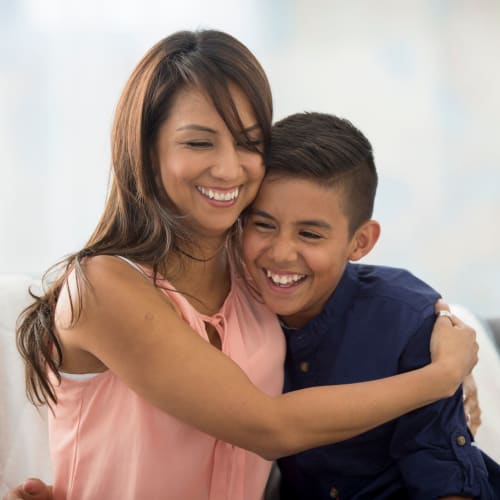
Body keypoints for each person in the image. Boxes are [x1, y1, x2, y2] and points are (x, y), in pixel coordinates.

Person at [6, 31, 478, 500]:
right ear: (148, 150)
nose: (230, 169)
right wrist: (438, 379)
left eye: (248, 143)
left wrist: (432, 338)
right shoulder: (103, 285)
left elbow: (358, 291)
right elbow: (267, 428)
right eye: (199, 143)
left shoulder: (257, 270)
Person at [242, 111, 500, 499]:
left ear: (360, 241)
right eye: (262, 225)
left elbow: (447, 483)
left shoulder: (408, 323)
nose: (280, 252)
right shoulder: (232, 310)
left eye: (310, 234)